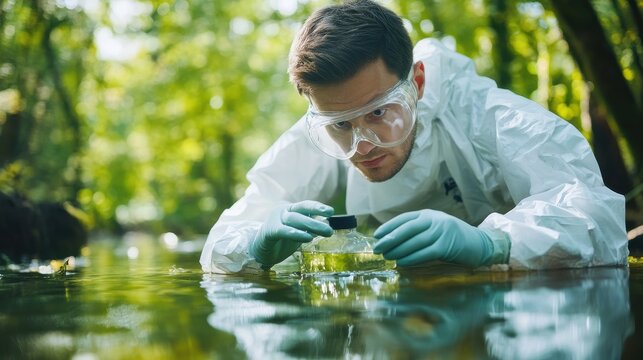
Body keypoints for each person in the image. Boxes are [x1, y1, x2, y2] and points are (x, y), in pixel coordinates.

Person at [200, 0, 628, 274]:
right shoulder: (320, 134)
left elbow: (597, 218)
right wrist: (255, 246)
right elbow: (219, 248)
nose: (361, 145)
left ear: (417, 83)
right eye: (340, 125)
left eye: (378, 113)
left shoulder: (487, 117)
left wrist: (493, 243)